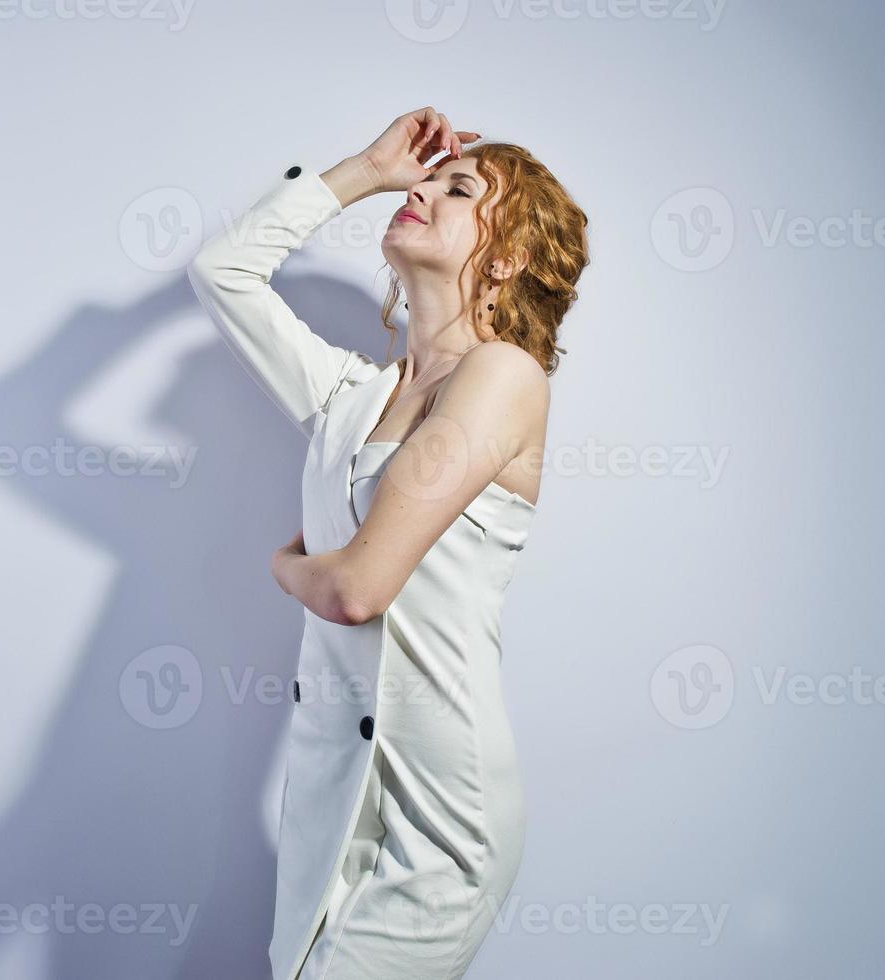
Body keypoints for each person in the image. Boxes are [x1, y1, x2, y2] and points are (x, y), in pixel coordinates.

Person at [187, 106, 590, 979]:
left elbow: (355, 590)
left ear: (510, 256)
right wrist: (364, 169)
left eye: (459, 189)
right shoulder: (350, 395)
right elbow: (223, 273)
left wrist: (285, 565)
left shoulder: (502, 375)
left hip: (441, 818)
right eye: (426, 177)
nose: (423, 190)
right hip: (331, 812)